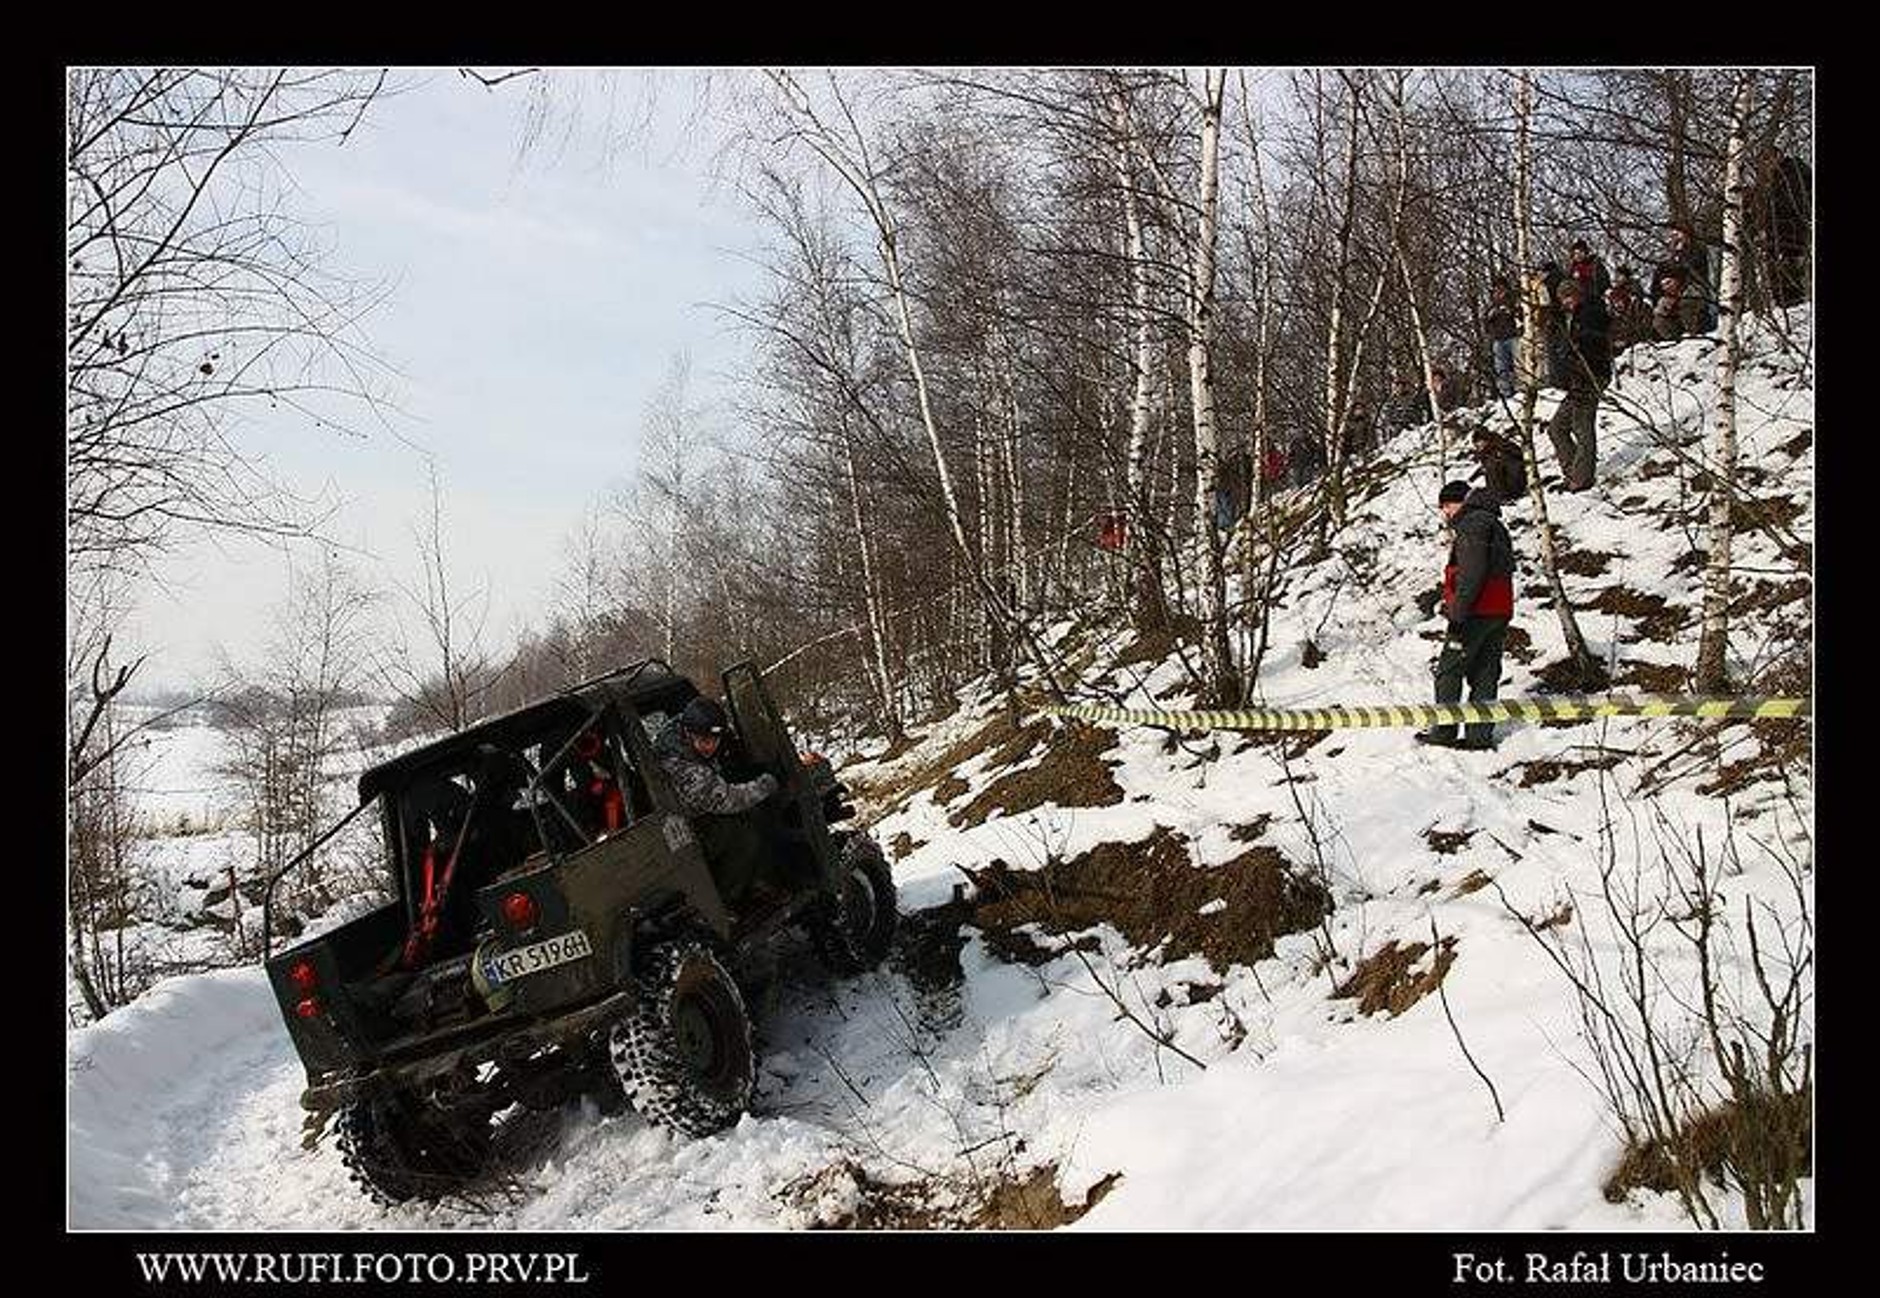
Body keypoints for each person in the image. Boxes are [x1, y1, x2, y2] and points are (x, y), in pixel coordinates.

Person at [654, 696, 781, 906]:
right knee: (744, 837)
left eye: (715, 740)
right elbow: (728, 799)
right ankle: (726, 901)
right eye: (704, 740)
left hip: (690, 815)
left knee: (753, 817)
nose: (710, 746)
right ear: (688, 733)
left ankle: (756, 880)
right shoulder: (679, 767)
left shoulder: (683, 727)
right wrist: (768, 783)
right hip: (680, 832)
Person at [1418, 480, 1514, 751]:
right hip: (1499, 609)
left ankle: (1444, 731)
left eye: (1446, 506)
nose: (1445, 513)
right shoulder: (1491, 522)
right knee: (1485, 672)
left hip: (1475, 612)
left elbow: (1472, 574)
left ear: (1460, 502)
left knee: (1449, 669)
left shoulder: (1472, 525)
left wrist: (1457, 616)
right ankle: (1478, 736)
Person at [1545, 277, 1611, 492]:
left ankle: (1582, 478)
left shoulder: (1592, 311)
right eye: (1563, 298)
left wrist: (1580, 343)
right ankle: (1573, 472)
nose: (1567, 302)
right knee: (1557, 427)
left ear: (1578, 294)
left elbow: (1598, 339)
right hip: (1575, 380)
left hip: (1591, 376)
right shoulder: (1566, 318)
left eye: (1569, 296)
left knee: (1582, 426)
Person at [1469, 425, 1528, 505]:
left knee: (1492, 465)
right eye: (1476, 445)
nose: (1478, 446)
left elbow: (1517, 458)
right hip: (1502, 491)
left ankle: (1502, 496)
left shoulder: (1501, 447)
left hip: (1514, 487)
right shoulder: (1488, 452)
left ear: (1485, 440)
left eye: (1479, 443)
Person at [1485, 275, 1520, 398]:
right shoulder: (1492, 304)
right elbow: (1486, 324)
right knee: (1501, 369)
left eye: (1500, 288)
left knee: (1518, 365)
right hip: (1498, 339)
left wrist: (1510, 310)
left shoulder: (1513, 299)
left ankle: (1521, 390)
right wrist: (1491, 315)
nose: (1498, 291)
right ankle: (1506, 394)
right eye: (1496, 288)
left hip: (1513, 336)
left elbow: (1521, 315)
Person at [1606, 266, 1652, 352]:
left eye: (1620, 275)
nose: (1616, 278)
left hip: (1632, 340)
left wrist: (1629, 341)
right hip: (1616, 337)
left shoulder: (1636, 298)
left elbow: (1641, 323)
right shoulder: (1612, 294)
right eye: (1616, 275)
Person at [1566, 238, 1611, 302]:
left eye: (1581, 252)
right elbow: (1569, 285)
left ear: (1586, 252)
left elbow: (1605, 281)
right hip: (1579, 303)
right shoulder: (1572, 270)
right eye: (1575, 253)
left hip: (1596, 300)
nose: (1578, 255)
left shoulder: (1595, 265)